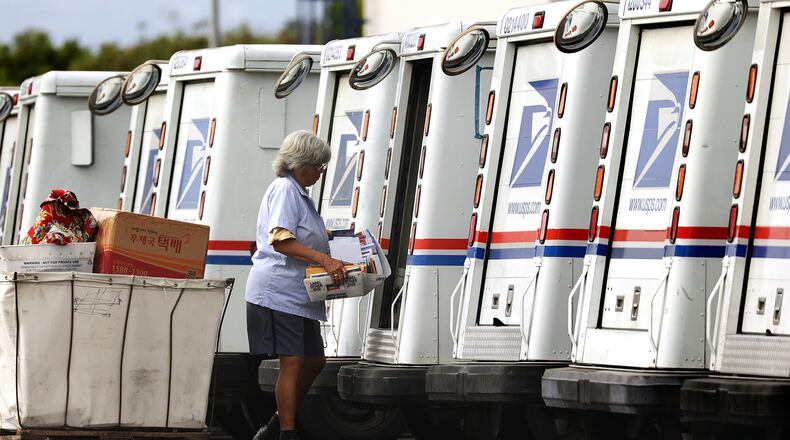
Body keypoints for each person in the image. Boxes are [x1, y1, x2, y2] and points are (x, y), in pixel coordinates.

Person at [247, 130, 347, 440]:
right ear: (300, 164)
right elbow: (280, 239)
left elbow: (298, 233)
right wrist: (325, 260)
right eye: (318, 166)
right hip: (279, 291)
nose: (320, 173)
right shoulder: (285, 190)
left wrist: (327, 238)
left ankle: (278, 422)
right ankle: (287, 432)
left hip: (299, 294)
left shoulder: (299, 193)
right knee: (292, 361)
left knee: (314, 361)